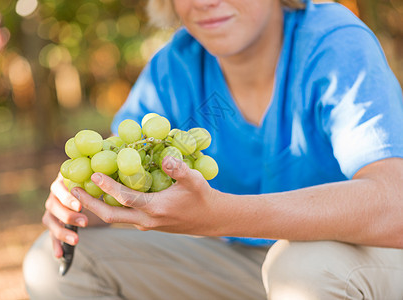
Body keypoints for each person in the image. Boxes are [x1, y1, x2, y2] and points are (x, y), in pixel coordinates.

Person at [23, 0, 403, 299]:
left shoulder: (333, 42)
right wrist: (90, 199)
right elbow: (127, 180)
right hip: (242, 264)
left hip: (360, 261)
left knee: (302, 269)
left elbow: (396, 206)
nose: (205, 1)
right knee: (54, 262)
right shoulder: (176, 66)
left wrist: (221, 215)